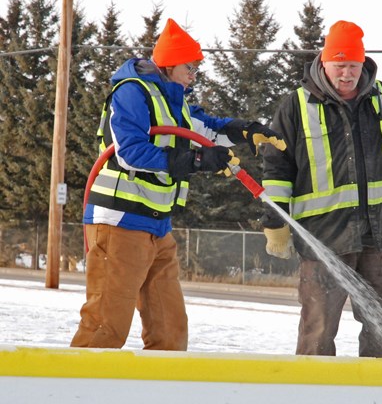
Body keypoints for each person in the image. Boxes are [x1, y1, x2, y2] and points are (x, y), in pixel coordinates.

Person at [70, 18, 285, 350]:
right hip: (120, 224)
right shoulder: (132, 91)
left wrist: (246, 129)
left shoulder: (174, 101)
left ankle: (161, 398)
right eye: (190, 66)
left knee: (170, 331)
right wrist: (199, 161)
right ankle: (76, 395)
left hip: (158, 226)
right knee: (105, 326)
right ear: (169, 63)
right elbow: (131, 153)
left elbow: (206, 128)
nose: (194, 73)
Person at [261, 20, 382, 358]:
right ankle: (314, 396)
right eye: (339, 65)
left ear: (363, 63)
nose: (347, 74)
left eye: (353, 65)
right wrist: (274, 224)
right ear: (323, 63)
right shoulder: (296, 107)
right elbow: (277, 170)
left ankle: (379, 395)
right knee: (318, 328)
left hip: (378, 236)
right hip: (323, 240)